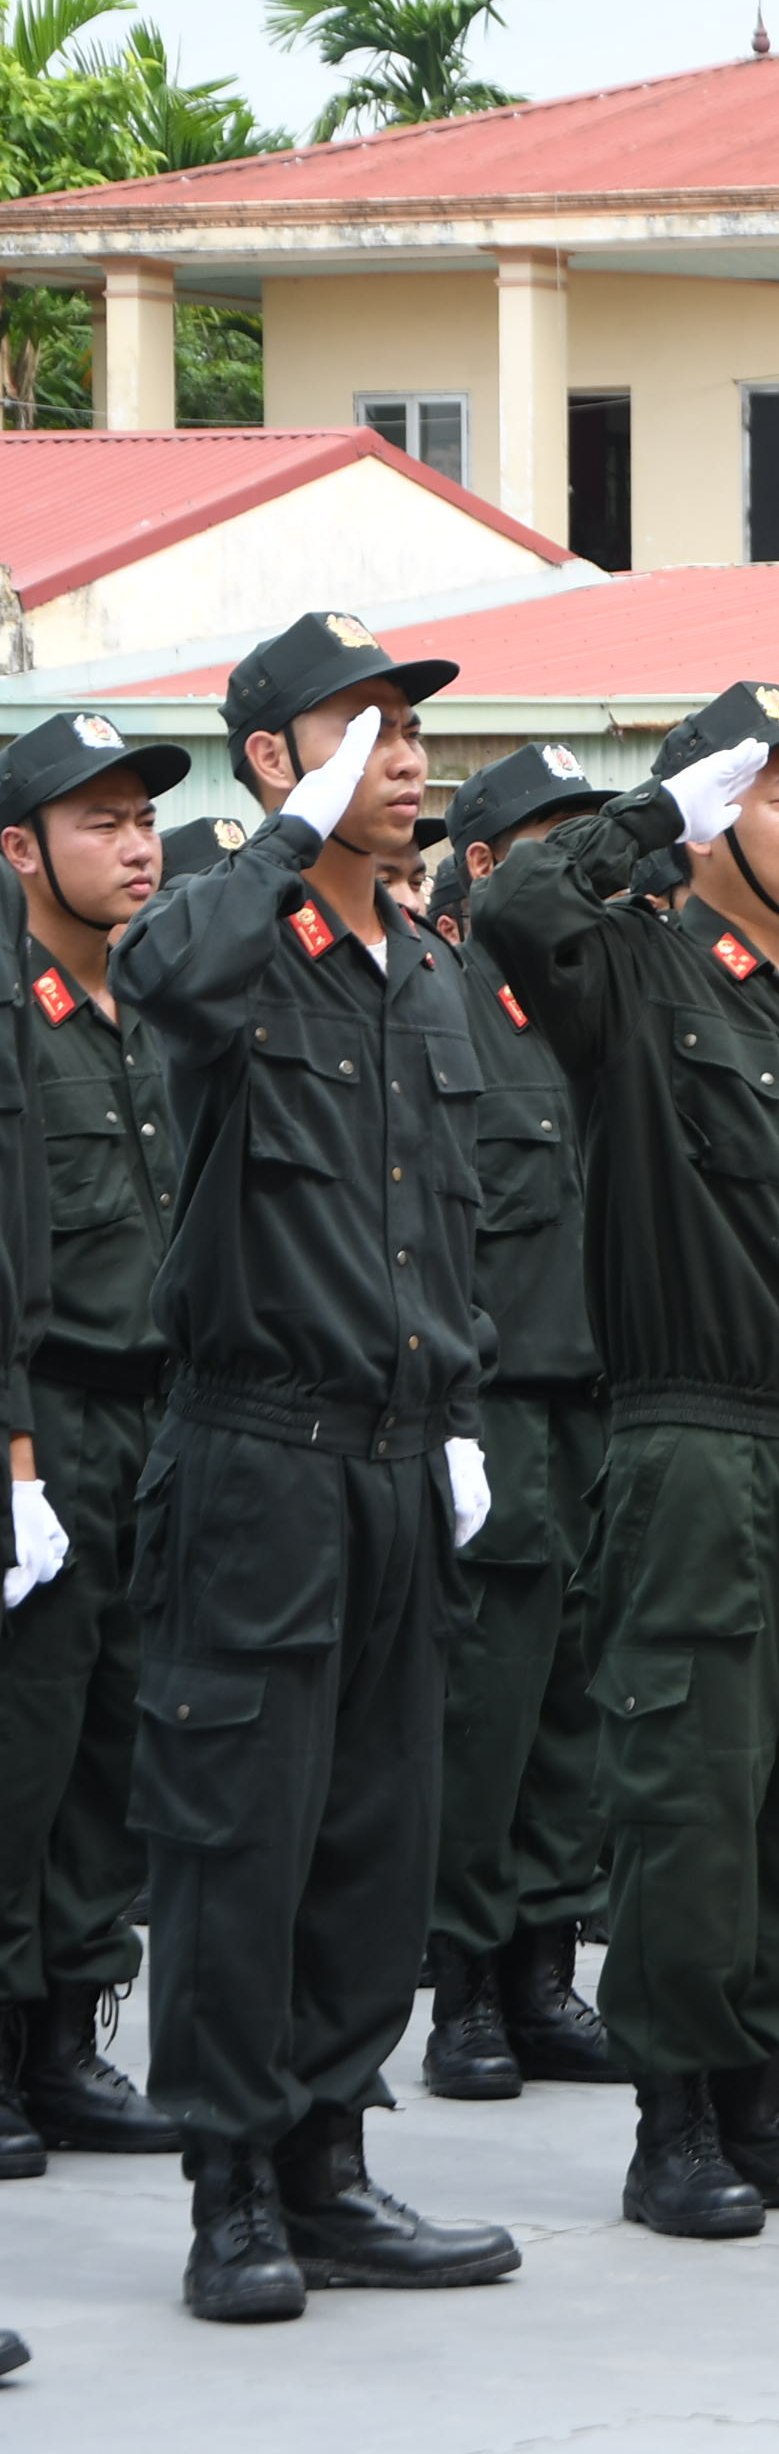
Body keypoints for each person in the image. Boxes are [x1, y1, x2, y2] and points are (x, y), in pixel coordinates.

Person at [482, 681, 779, 2237]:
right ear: (707, 816)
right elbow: (519, 908)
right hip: (694, 1439)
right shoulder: (638, 968)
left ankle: (771, 2101)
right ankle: (673, 2122)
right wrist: (655, 811)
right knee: (692, 1785)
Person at [114, 611, 516, 2321]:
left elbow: (448, 1224)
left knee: (374, 1830)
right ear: (276, 755)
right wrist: (282, 829)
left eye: (414, 730)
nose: (405, 756)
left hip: (401, 1459)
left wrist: (468, 1415)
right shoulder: (235, 938)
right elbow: (157, 971)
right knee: (239, 1836)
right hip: (256, 1457)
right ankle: (229, 2188)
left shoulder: (426, 966)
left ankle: (332, 2155)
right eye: (363, 728)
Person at [417, 744, 627, 2103]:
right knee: (484, 1719)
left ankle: (550, 1971)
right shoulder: (436, 1007)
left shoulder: (607, 1011)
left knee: (584, 1714)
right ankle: (468, 1990)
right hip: (492, 1411)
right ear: (486, 869)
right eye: (556, 845)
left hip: (609, 1407)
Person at [0, 713, 186, 2162]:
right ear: (21, 851)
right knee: (24, 1748)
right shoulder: (13, 1020)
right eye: (98, 822)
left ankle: (72, 2033)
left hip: (155, 1417)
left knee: (120, 1738)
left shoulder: (158, 1012)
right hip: (45, 1421)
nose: (135, 846)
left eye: (143, 820)